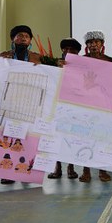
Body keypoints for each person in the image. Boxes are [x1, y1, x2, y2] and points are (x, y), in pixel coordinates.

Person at [77, 31, 112, 183]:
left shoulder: (110, 61)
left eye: (96, 42)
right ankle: (86, 171)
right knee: (85, 137)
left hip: (104, 104)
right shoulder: (79, 61)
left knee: (102, 137)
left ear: (102, 45)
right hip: (85, 104)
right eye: (90, 42)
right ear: (86, 46)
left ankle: (102, 170)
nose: (93, 44)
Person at [47, 38, 82, 181]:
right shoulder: (54, 63)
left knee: (72, 137)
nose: (68, 51)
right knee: (56, 136)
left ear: (78, 52)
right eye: (65, 48)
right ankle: (57, 167)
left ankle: (71, 167)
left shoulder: (83, 65)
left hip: (76, 105)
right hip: (57, 105)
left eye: (72, 49)